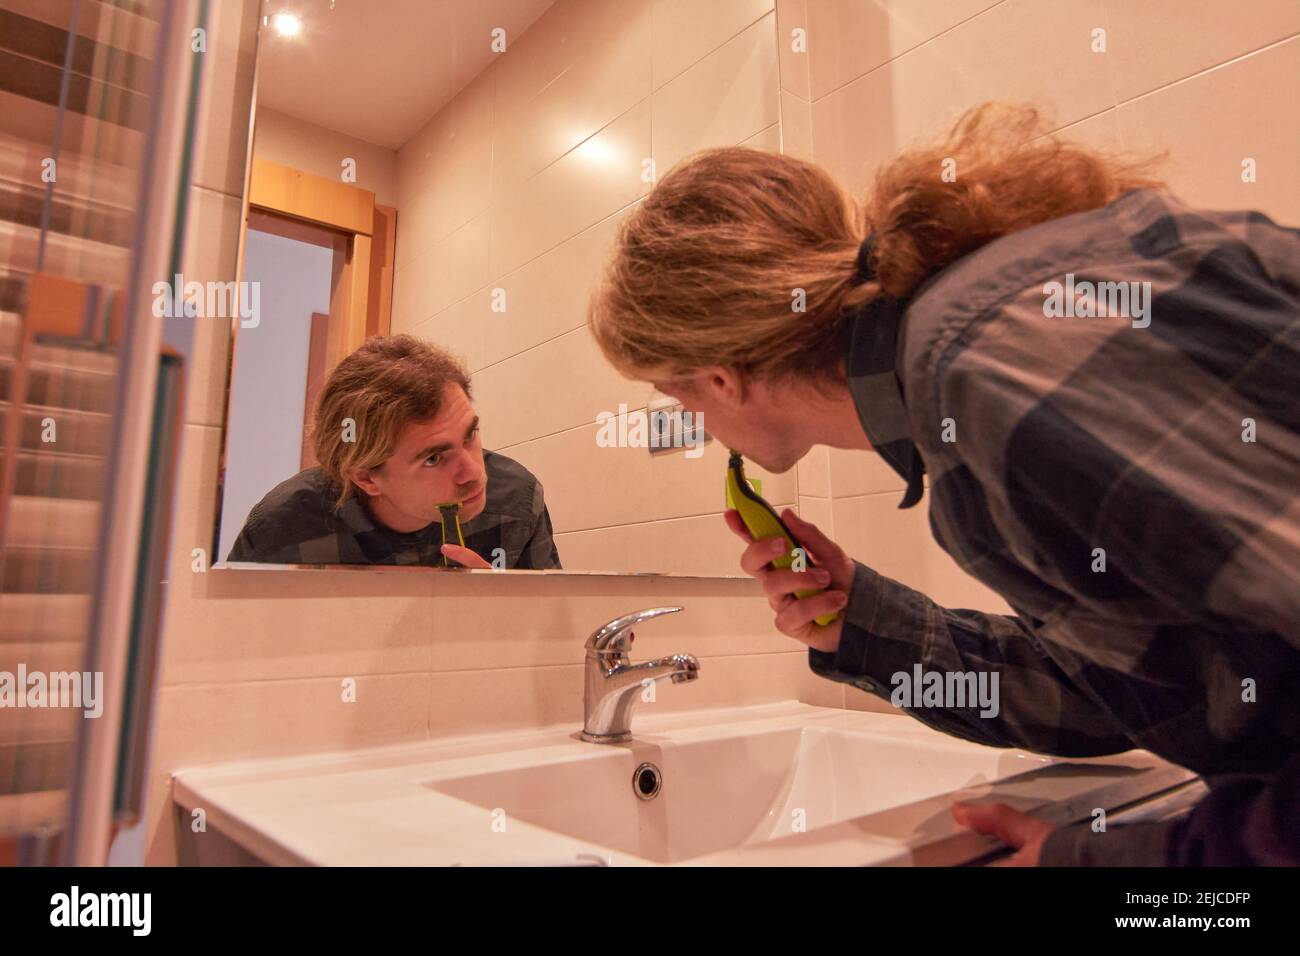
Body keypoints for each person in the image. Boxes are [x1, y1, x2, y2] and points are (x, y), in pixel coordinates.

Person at [588, 102, 1299, 866]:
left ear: (722, 379)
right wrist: (861, 622)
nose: (693, 422)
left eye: (678, 398)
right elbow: (1152, 688)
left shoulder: (986, 369)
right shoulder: (982, 347)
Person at [227, 335, 561, 570]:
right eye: (433, 458)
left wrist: (502, 616)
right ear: (367, 477)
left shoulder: (516, 499)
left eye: (470, 434)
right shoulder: (284, 527)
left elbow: (552, 653)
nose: (473, 472)